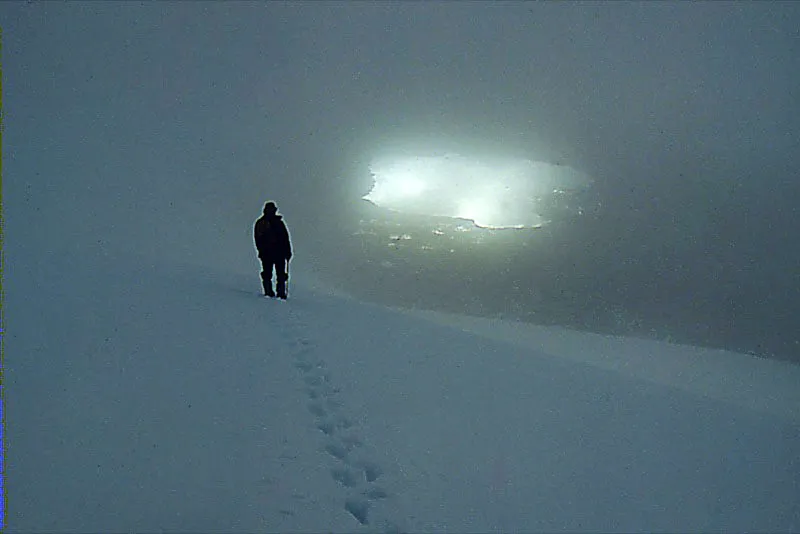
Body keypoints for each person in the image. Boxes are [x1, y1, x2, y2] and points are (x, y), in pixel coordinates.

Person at [254, 201, 292, 298]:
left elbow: (285, 238)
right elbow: (259, 239)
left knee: (279, 275)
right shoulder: (263, 223)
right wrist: (262, 251)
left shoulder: (277, 223)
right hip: (269, 253)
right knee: (269, 274)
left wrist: (288, 251)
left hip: (278, 253)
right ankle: (270, 292)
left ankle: (279, 293)